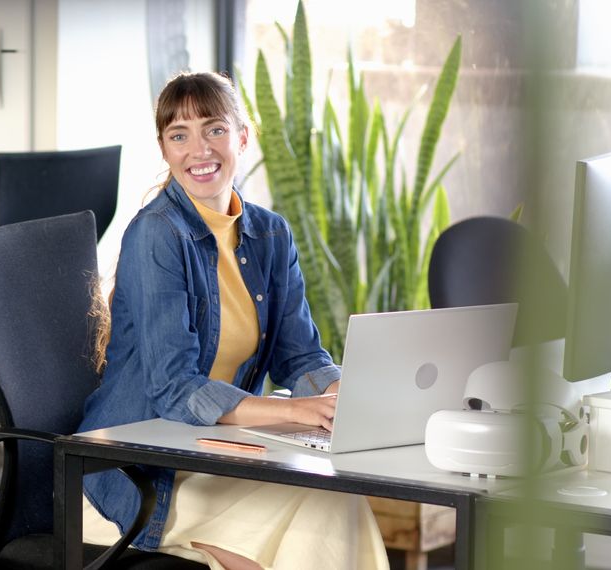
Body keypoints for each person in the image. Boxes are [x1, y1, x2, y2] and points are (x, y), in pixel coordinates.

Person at [78, 71, 388, 570]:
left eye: (215, 129)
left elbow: (301, 355)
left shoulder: (269, 234)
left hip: (212, 454)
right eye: (180, 135)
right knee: (311, 520)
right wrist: (295, 412)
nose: (199, 149)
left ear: (242, 137)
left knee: (336, 499)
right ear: (163, 148)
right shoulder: (157, 234)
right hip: (136, 475)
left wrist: (342, 395)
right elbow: (175, 389)